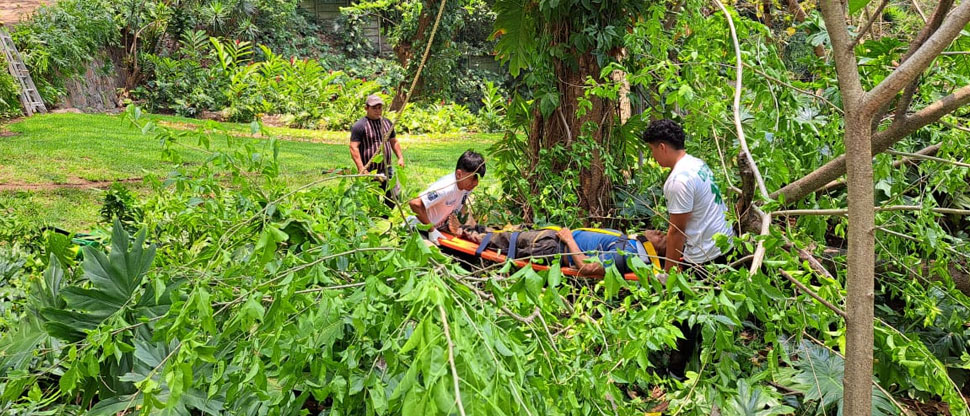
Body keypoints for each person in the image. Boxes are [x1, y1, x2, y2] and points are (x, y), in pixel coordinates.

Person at [642, 119, 733, 272]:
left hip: (706, 257)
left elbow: (677, 231)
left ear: (662, 147)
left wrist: (669, 273)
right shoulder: (697, 163)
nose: (653, 155)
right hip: (726, 244)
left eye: (652, 149)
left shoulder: (678, 180)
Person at [458, 226, 666, 278]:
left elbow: (587, 267)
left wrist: (568, 239)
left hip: (552, 248)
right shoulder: (629, 244)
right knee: (511, 235)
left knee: (508, 245)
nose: (659, 231)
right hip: (555, 240)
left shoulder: (626, 255)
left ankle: (467, 234)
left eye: (662, 237)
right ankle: (473, 230)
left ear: (654, 249)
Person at [408, 150, 486, 244]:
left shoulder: (467, 187)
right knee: (434, 255)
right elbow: (415, 203)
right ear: (459, 174)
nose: (476, 183)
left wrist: (470, 227)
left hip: (438, 228)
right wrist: (431, 229)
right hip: (417, 228)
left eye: (478, 179)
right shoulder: (445, 188)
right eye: (472, 178)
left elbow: (462, 204)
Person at [349, 94, 405, 207]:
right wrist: (361, 168)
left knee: (393, 197)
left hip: (387, 168)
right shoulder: (360, 126)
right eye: (374, 108)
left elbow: (394, 141)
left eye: (380, 108)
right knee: (372, 200)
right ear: (366, 108)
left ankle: (385, 218)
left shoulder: (387, 123)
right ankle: (374, 219)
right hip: (370, 170)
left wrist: (400, 157)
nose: (377, 111)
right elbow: (353, 147)